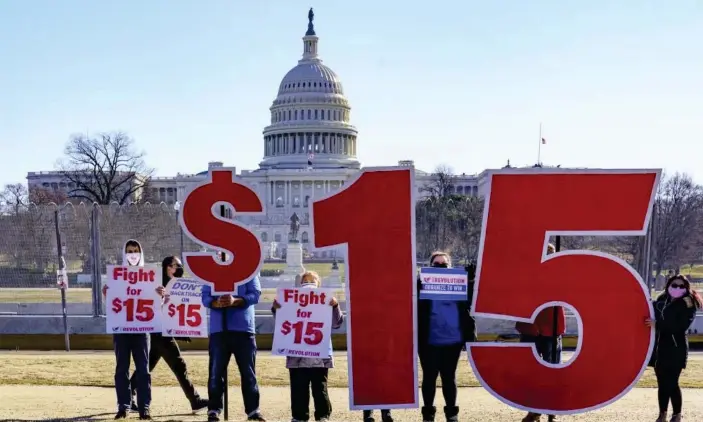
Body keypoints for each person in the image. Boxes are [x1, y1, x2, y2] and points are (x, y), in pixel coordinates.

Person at [128, 256, 208, 414]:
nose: (178, 268)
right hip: (159, 332)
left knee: (146, 366)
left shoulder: (178, 285)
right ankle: (195, 400)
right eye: (175, 265)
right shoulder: (158, 283)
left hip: (163, 332)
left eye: (179, 265)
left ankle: (127, 395)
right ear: (166, 267)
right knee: (179, 365)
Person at [272, 271, 344, 422]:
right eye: (305, 280)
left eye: (313, 280)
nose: (309, 283)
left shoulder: (327, 301)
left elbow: (337, 324)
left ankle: (323, 415)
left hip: (319, 353)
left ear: (319, 284)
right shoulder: (292, 300)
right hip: (297, 354)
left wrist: (335, 305)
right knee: (298, 389)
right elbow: (282, 321)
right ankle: (299, 416)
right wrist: (277, 307)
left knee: (320, 389)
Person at [417, 251, 476, 422]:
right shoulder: (421, 284)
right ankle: (428, 415)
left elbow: (471, 302)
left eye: (444, 265)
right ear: (430, 267)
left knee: (449, 377)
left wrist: (470, 281)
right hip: (428, 340)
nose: (441, 268)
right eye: (436, 265)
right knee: (429, 377)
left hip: (453, 339)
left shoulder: (459, 284)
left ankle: (452, 414)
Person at [202, 267, 266, 422]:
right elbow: (205, 296)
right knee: (216, 373)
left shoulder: (250, 269)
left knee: (248, 373)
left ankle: (253, 411)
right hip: (219, 330)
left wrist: (236, 301)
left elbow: (255, 294)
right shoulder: (211, 270)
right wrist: (215, 303)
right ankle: (214, 409)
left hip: (244, 329)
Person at [102, 239, 154, 420]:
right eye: (129, 251)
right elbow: (113, 301)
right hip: (122, 329)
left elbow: (155, 303)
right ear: (124, 254)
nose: (133, 254)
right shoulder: (117, 275)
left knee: (143, 369)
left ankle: (144, 407)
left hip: (141, 330)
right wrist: (107, 293)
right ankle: (123, 406)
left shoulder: (149, 275)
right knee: (121, 368)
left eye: (136, 250)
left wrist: (161, 295)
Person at [516, 243, 565, 422]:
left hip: (551, 327)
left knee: (552, 372)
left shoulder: (560, 274)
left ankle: (551, 409)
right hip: (530, 326)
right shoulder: (525, 273)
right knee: (530, 373)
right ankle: (534, 410)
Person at [646, 274, 702, 422]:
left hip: (676, 349)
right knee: (661, 383)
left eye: (681, 286)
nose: (677, 288)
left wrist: (657, 325)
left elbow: (681, 327)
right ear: (668, 285)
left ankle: (677, 414)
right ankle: (662, 413)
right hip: (659, 348)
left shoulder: (688, 303)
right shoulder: (661, 300)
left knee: (671, 382)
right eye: (674, 285)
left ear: (686, 288)